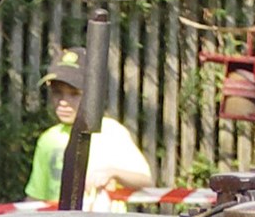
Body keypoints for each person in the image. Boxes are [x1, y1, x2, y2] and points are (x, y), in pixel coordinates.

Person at [21, 51, 158, 206]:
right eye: (57, 93)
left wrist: (113, 173)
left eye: (74, 94)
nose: (63, 102)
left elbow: (146, 181)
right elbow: (36, 196)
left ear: (93, 94)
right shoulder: (48, 139)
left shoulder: (112, 132)